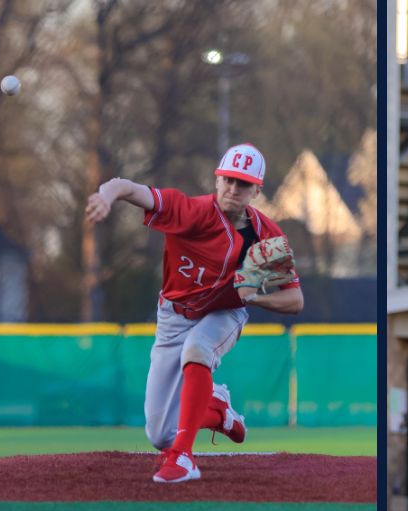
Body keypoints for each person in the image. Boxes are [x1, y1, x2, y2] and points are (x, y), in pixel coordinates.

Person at [84, 143, 304, 483]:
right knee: (160, 434)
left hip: (225, 314)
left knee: (198, 349)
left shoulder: (265, 238)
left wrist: (255, 298)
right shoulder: (188, 211)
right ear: (216, 180)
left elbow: (295, 301)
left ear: (257, 190)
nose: (233, 188)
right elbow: (127, 187)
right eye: (228, 179)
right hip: (173, 317)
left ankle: (184, 459)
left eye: (243, 183)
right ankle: (217, 411)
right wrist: (105, 196)